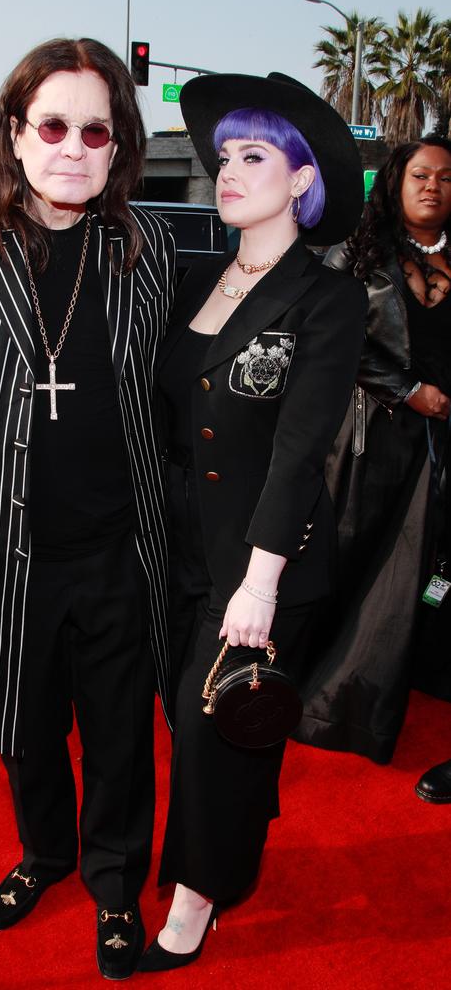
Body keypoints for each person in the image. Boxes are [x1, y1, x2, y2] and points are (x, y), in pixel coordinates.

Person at [0, 38, 175, 980]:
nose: (73, 146)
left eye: (97, 129)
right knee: (25, 725)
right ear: (15, 131)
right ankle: (46, 854)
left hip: (118, 549)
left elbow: (169, 403)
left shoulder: (143, 245)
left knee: (123, 736)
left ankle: (116, 885)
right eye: (52, 123)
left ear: (119, 144)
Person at [137, 73, 367, 972]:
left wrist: (259, 583)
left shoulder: (326, 298)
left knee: (210, 723)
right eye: (224, 156)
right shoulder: (196, 273)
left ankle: (199, 899)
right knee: (198, 716)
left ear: (303, 181)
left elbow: (301, 448)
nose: (228, 172)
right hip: (175, 543)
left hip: (261, 561)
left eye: (255, 156)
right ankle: (236, 809)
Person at [295, 138, 451, 765]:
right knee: (353, 564)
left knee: (414, 577)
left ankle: (381, 693)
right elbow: (328, 339)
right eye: (420, 174)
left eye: (445, 177)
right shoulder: (358, 254)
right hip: (371, 439)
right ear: (396, 181)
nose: (433, 186)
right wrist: (409, 390)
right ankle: (320, 702)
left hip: (440, 447)